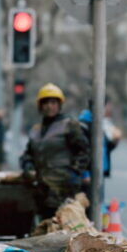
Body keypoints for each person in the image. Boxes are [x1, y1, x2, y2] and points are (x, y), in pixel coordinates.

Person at [20, 83, 90, 218]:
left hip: (64, 189)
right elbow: (27, 154)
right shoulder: (36, 130)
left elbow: (84, 151)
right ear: (40, 106)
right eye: (45, 103)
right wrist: (27, 166)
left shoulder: (69, 125)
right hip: (41, 189)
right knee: (45, 228)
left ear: (59, 105)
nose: (49, 106)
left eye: (53, 102)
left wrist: (73, 173)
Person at [78, 98, 123, 199]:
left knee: (98, 204)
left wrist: (115, 142)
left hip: (99, 172)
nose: (109, 109)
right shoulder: (85, 125)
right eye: (107, 106)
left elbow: (103, 148)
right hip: (90, 175)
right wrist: (85, 174)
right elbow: (80, 151)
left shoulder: (99, 123)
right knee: (89, 206)